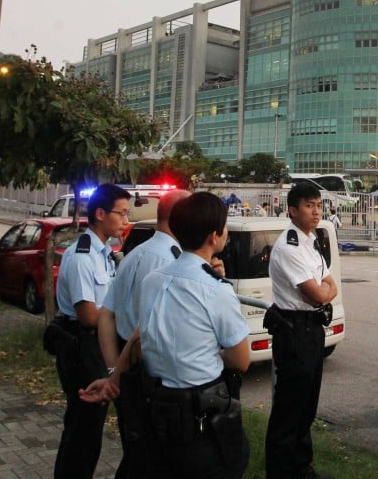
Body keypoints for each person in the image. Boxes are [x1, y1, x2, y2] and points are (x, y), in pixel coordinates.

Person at [82, 192, 252, 478]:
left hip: (158, 409)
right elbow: (241, 359)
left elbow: (139, 334)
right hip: (202, 418)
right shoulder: (216, 289)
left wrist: (114, 376)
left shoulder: (154, 279)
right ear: (215, 236)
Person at [97, 189, 191, 479]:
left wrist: (115, 370)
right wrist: (119, 373)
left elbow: (107, 314)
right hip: (147, 371)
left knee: (138, 454)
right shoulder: (166, 261)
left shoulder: (139, 252)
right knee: (149, 460)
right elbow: (147, 330)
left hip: (130, 365)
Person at [52, 183, 132, 479]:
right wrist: (122, 317)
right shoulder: (83, 256)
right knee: (82, 430)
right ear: (100, 213)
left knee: (91, 428)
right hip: (82, 347)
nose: (126, 220)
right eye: (121, 214)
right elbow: (87, 315)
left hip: (97, 345)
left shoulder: (105, 253)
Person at [265, 182, 338, 479]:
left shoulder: (311, 241)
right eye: (309, 205)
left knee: (307, 406)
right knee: (289, 409)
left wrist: (324, 291)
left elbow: (330, 284)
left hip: (311, 329)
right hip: (294, 331)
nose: (316, 211)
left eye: (319, 205)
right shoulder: (289, 247)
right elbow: (319, 294)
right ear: (292, 210)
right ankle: (282, 472)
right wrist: (324, 291)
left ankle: (301, 468)